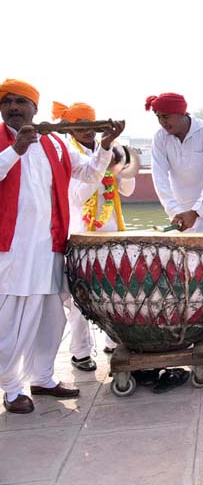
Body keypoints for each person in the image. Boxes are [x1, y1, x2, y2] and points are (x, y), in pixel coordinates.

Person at [0, 79, 124, 415]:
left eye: (20, 102)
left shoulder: (55, 143)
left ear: (34, 109)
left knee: (50, 317)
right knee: (11, 320)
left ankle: (42, 377)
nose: (13, 107)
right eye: (7, 102)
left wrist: (106, 145)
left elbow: (87, 174)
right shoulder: (3, 141)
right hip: (12, 251)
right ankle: (11, 389)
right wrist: (16, 150)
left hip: (50, 246)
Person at [147, 92, 203, 343]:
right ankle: (191, 323)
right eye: (158, 117)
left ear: (182, 113)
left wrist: (197, 211)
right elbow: (160, 179)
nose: (163, 122)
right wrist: (175, 211)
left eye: (166, 116)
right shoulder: (160, 139)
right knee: (185, 273)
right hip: (180, 216)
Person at [53, 101, 136, 366]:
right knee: (81, 299)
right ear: (71, 129)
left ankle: (114, 341)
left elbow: (128, 191)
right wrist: (100, 169)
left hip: (113, 233)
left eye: (91, 125)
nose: (88, 131)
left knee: (116, 293)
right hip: (82, 235)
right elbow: (77, 197)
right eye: (81, 126)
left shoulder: (113, 149)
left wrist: (121, 168)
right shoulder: (68, 153)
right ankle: (81, 352)